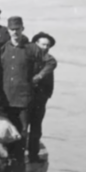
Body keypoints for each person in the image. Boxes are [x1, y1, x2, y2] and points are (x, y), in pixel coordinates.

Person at [0, 16, 56, 172]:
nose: (14, 32)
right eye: (12, 29)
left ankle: (18, 168)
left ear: (22, 29)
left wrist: (38, 77)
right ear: (8, 30)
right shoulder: (4, 48)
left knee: (22, 132)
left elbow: (51, 62)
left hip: (24, 98)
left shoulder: (32, 48)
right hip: (7, 98)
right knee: (8, 132)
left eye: (17, 29)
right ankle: (6, 166)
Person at [28, 32, 56, 163]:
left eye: (48, 45)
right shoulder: (27, 56)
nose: (45, 47)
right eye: (43, 44)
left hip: (40, 97)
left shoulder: (48, 59)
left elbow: (51, 63)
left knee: (36, 127)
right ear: (35, 44)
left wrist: (39, 77)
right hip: (25, 96)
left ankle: (33, 155)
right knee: (22, 127)